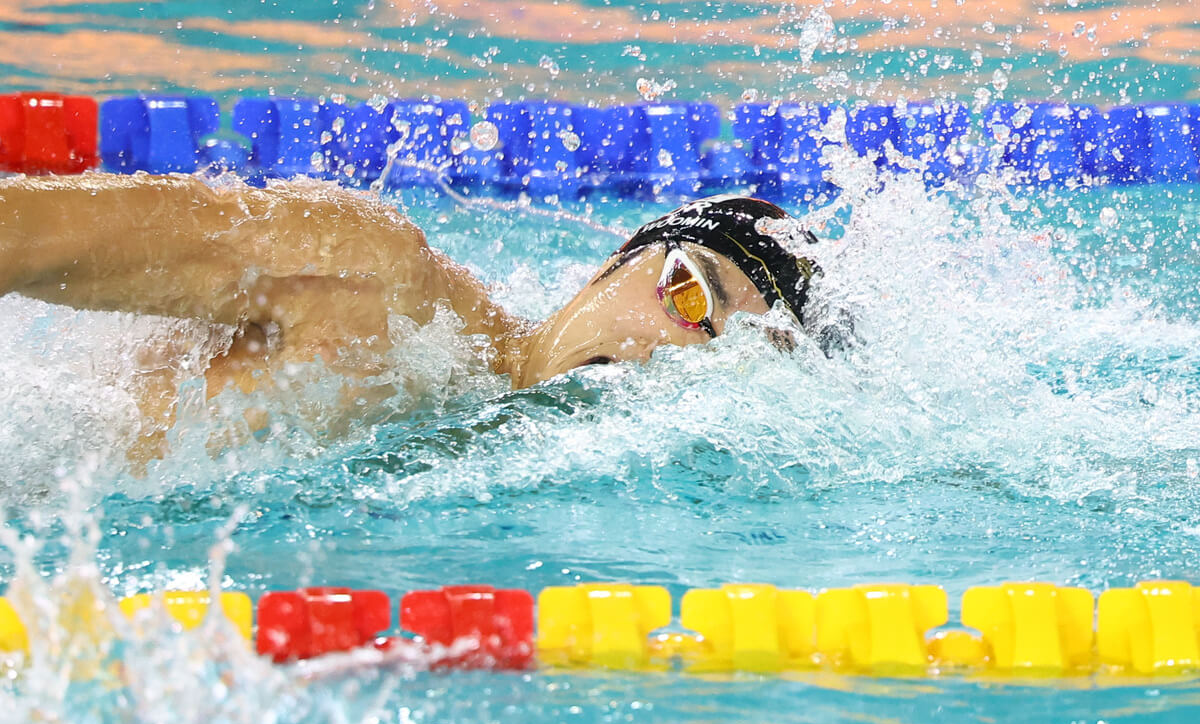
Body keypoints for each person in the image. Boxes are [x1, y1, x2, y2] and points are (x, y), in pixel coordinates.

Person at [0, 173, 820, 460]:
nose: (672, 356)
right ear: (620, 258)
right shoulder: (375, 281)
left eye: (733, 358)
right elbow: (20, 236)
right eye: (686, 293)